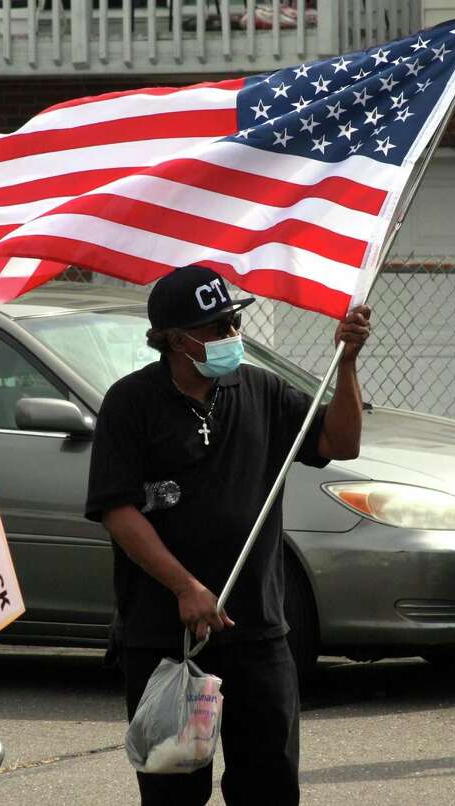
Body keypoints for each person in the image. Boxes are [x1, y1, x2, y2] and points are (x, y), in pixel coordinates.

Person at [85, 265, 370, 805]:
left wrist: (348, 363)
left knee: (268, 784)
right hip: (169, 641)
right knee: (173, 787)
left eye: (234, 324)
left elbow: (340, 441)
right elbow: (117, 511)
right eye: (216, 329)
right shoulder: (131, 403)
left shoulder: (261, 388)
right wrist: (185, 588)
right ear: (174, 339)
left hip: (258, 634)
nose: (231, 337)